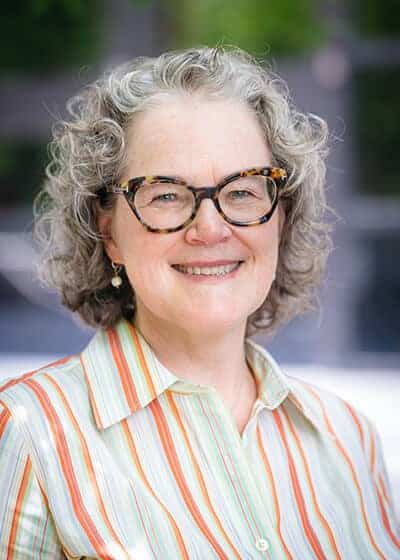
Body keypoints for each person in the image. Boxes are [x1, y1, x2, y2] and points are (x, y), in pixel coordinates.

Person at [0, 45, 398, 559]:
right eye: (166, 194)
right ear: (109, 232)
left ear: (281, 217)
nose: (210, 229)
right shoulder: (28, 434)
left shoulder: (350, 441)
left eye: (243, 192)